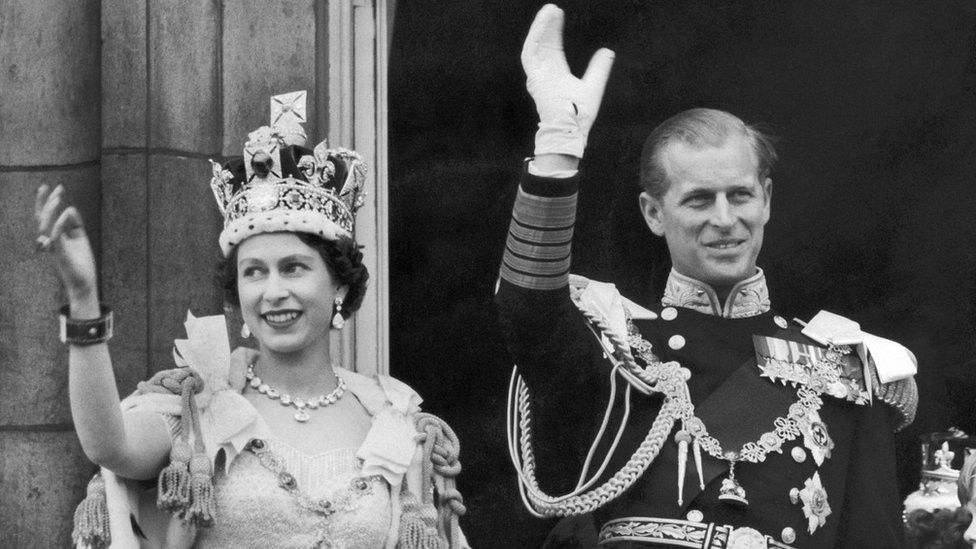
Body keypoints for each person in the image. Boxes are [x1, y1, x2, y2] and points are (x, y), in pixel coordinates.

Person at [496, 5, 918, 549]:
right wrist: (557, 148)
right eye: (698, 199)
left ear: (766, 200)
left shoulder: (845, 370)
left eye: (740, 194)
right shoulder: (618, 351)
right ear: (653, 213)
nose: (724, 219)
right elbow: (528, 308)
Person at [36, 91, 467, 549]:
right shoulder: (200, 407)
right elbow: (109, 445)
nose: (272, 291)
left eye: (293, 268)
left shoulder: (392, 419)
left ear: (339, 285)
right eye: (254, 272)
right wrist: (83, 300)